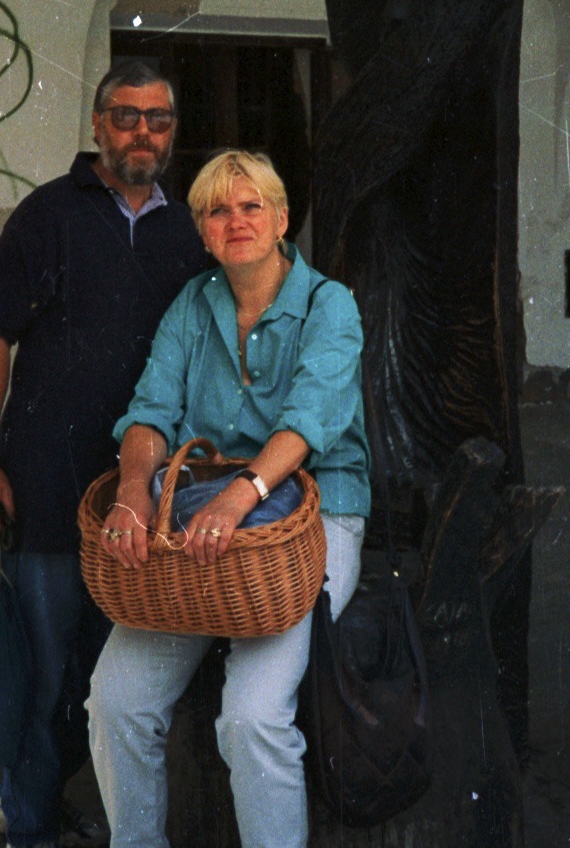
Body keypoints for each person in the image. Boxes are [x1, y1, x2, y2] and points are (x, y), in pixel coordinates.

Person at [85, 150, 371, 848]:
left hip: (307, 522)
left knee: (252, 716)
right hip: (199, 524)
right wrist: (131, 493)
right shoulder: (194, 302)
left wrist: (243, 495)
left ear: (279, 220)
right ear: (203, 231)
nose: (235, 221)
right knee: (115, 702)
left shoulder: (329, 304)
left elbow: (308, 421)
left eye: (251, 206)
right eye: (218, 209)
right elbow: (151, 410)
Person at [0, 60, 209, 848]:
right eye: (127, 116)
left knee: (108, 678)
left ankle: (50, 795)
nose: (143, 131)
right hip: (45, 485)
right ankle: (29, 824)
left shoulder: (190, 227)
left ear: (173, 130)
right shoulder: (45, 217)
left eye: (159, 118)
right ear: (98, 125)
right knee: (42, 673)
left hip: (143, 500)